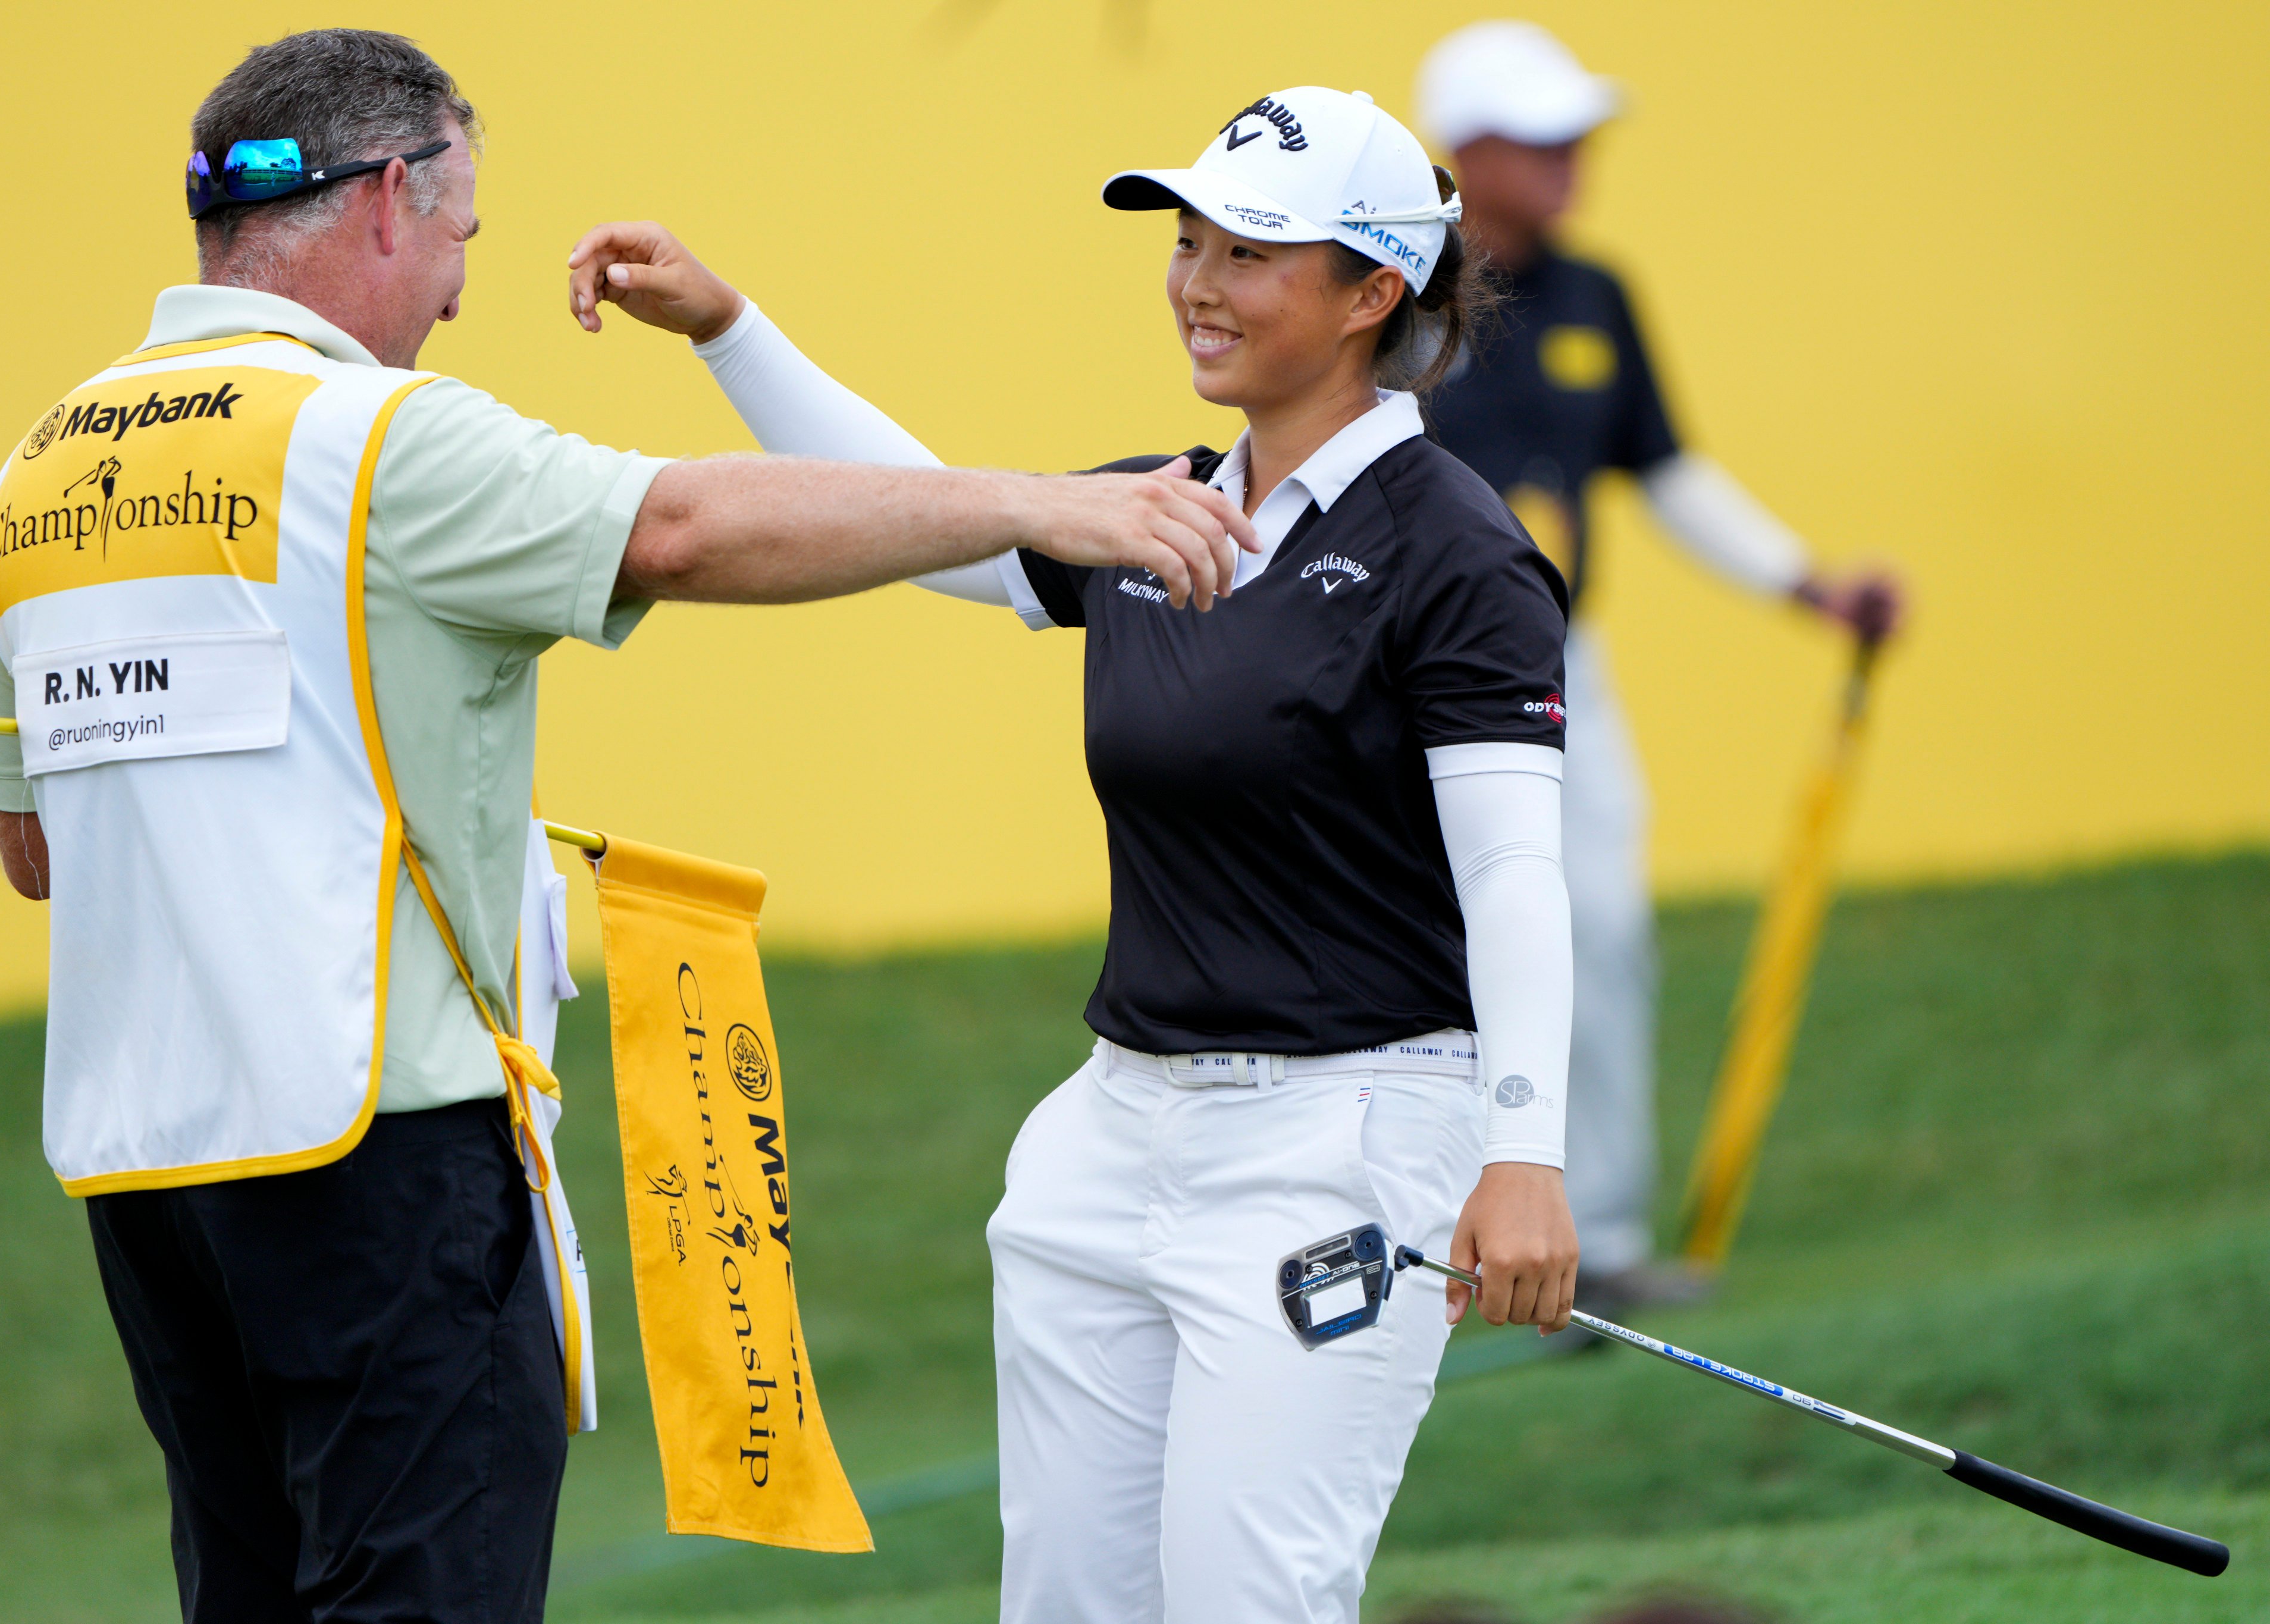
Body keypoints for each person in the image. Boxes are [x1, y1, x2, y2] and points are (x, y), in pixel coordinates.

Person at [0, 29, 1251, 1623]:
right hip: (381, 1149)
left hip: (145, 1180)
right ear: (383, 201)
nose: (453, 287)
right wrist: (1042, 505)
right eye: (457, 237)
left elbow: (36, 851)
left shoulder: (29, 480)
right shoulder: (377, 437)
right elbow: (687, 525)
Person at [569, 86, 1575, 1624]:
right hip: (1114, 1136)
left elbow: (1514, 873)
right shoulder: (1157, 511)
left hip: (1346, 1144)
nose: (1199, 282)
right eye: (1190, 243)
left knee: (1251, 1600)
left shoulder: (1455, 550)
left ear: (1375, 291)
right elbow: (925, 519)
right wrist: (727, 327)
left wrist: (1524, 1154)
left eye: (1251, 252)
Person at [1412, 21, 1905, 1309]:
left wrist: (1804, 581)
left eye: (1578, 132)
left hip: (1555, 663)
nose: (1574, 158)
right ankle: (1418, 1246)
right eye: (1541, 136)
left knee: (1600, 929)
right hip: (1389, 670)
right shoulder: (1388, 293)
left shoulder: (1593, 296)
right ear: (1463, 151)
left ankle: (1597, 1243)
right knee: (1413, 942)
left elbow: (1663, 469)